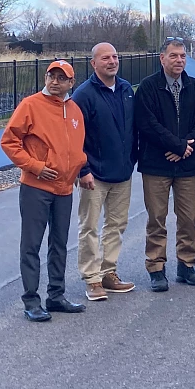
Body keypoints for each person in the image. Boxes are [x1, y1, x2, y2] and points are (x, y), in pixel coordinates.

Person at [0, 60, 87, 322]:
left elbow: (76, 148)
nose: (55, 81)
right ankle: (31, 300)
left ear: (71, 83)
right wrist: (35, 166)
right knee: (31, 244)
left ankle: (56, 295)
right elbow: (9, 141)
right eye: (52, 76)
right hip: (36, 187)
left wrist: (78, 171)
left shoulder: (74, 110)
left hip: (64, 188)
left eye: (62, 77)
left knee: (59, 244)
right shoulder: (30, 105)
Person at [135, 38, 195, 291]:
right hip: (156, 164)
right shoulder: (147, 87)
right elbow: (147, 124)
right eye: (174, 56)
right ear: (162, 58)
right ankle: (156, 268)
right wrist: (176, 146)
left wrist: (187, 147)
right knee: (157, 218)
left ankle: (187, 266)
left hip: (187, 164)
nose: (179, 60)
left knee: (188, 218)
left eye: (183, 56)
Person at [72, 42, 137, 302]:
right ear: (94, 63)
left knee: (117, 225)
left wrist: (132, 159)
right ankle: (92, 279)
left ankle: (109, 273)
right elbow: (75, 137)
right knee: (89, 227)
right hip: (93, 175)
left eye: (115, 56)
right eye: (105, 58)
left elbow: (133, 128)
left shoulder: (126, 89)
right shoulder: (83, 95)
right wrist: (83, 169)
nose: (112, 61)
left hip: (122, 172)